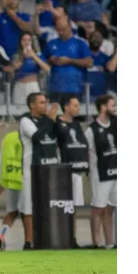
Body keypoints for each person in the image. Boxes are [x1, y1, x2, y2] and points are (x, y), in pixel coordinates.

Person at [17, 93, 60, 250]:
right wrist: (51, 119)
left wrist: (54, 121)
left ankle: (46, 238)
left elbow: (58, 135)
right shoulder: (26, 120)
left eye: (46, 102)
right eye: (42, 103)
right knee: (29, 207)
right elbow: (38, 137)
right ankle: (29, 242)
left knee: (48, 206)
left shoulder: (47, 120)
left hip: (49, 168)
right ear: (32, 105)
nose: (45, 105)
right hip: (31, 169)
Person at [54, 95, 89, 246]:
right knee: (63, 206)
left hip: (77, 170)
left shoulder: (76, 125)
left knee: (73, 207)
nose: (77, 108)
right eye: (75, 105)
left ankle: (72, 237)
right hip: (63, 171)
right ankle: (61, 236)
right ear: (66, 107)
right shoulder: (58, 124)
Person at [85, 95, 117, 249]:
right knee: (98, 207)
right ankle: (96, 242)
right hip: (100, 174)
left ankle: (110, 243)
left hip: (116, 173)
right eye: (112, 105)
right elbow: (89, 154)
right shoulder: (91, 130)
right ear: (103, 107)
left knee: (111, 208)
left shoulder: (116, 124)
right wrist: (92, 173)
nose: (115, 108)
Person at [0, 130, 23, 250]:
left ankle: (2, 235)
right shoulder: (31, 137)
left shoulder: (8, 138)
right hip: (25, 180)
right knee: (28, 213)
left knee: (12, 212)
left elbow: (1, 161)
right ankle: (29, 241)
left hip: (11, 179)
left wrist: (1, 182)